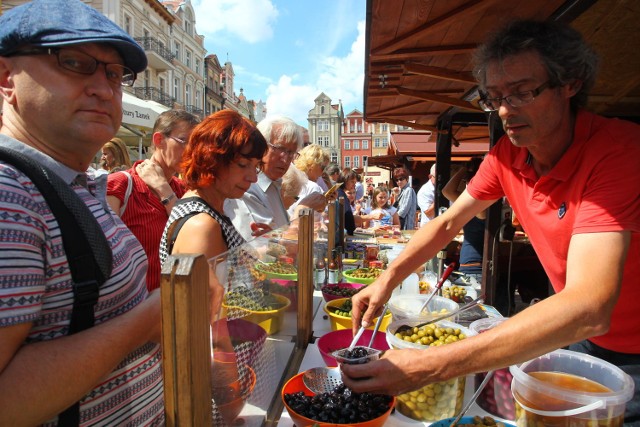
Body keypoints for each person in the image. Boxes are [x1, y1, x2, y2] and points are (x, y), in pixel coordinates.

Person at [342, 19, 640, 423]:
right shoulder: (506, 155)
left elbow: (590, 305)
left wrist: (432, 364)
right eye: (494, 97)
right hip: (578, 339)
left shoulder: (618, 152)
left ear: (570, 83)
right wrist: (386, 279)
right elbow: (447, 224)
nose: (504, 111)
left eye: (521, 93)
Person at [0, 0, 164, 424]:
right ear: (6, 78)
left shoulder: (76, 180)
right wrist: (152, 317)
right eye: (74, 62)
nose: (104, 88)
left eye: (113, 74)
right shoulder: (8, 191)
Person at [106, 109, 200, 292]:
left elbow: (193, 239)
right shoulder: (120, 186)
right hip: (135, 309)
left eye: (195, 144)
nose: (192, 151)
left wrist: (164, 190)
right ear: (159, 140)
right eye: (184, 141)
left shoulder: (182, 189)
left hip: (174, 303)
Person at [225, 115, 326, 240]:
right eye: (279, 149)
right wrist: (302, 211)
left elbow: (277, 240)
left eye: (291, 152)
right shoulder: (246, 187)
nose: (285, 158)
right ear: (262, 146)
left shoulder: (275, 184)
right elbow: (265, 251)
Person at [442, 158, 485, 286]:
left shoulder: (479, 205)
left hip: (474, 266)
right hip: (473, 264)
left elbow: (447, 191)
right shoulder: (486, 203)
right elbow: (447, 191)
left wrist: (464, 169)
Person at [287, 143, 329, 218]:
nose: (323, 172)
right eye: (322, 168)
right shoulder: (313, 187)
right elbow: (318, 221)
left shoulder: (288, 180)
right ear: (312, 165)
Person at [392, 165, 417, 230]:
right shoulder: (403, 190)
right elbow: (396, 207)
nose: (399, 182)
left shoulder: (408, 190)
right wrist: (396, 195)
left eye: (401, 179)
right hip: (403, 224)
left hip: (406, 225)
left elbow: (403, 210)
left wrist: (393, 217)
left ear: (406, 179)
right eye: (397, 180)